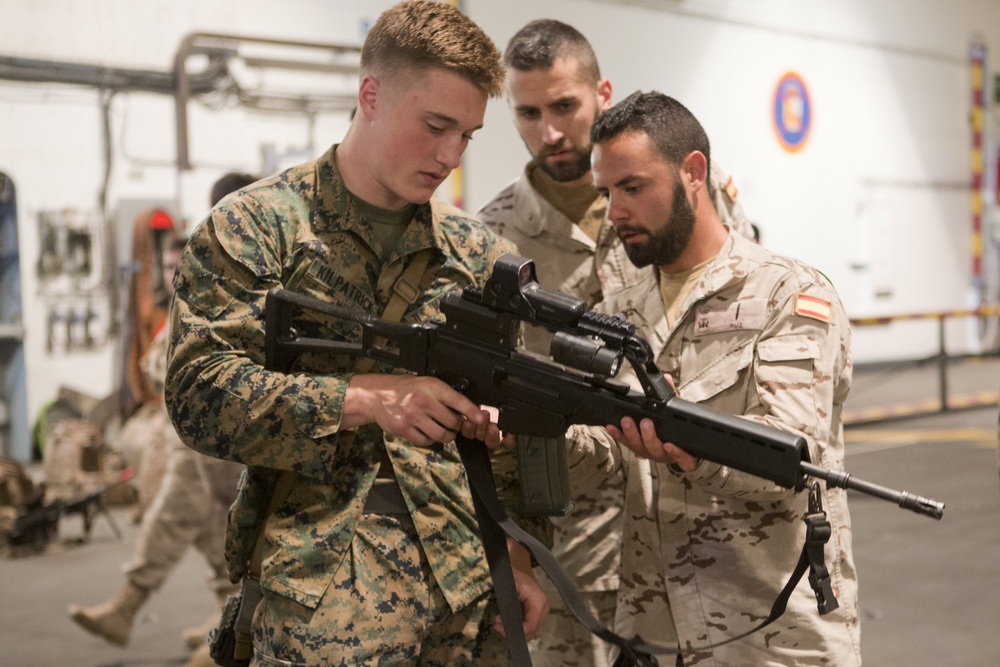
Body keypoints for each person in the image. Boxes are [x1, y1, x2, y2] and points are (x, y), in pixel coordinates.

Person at [163, 3, 548, 665]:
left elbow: (507, 427)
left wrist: (518, 550)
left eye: (468, 135)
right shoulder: (259, 229)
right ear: (370, 95)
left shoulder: (477, 254)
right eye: (435, 126)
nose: (450, 155)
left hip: (468, 593)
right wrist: (364, 399)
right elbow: (198, 394)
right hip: (322, 598)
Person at [477, 20, 754, 667]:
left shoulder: (685, 203)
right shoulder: (491, 238)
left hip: (697, 532)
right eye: (528, 113)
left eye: (565, 106)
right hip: (570, 546)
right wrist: (514, 550)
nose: (550, 131)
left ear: (601, 92)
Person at [565, 91, 861, 665]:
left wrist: (685, 450)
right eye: (606, 193)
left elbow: (791, 461)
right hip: (654, 632)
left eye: (632, 187)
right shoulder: (622, 306)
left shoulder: (789, 296)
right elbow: (609, 451)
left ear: (692, 173)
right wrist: (526, 424)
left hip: (770, 636)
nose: (615, 211)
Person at [67, 173, 256, 653]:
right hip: (193, 437)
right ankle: (173, 612)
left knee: (209, 528)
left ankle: (214, 624)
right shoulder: (218, 267)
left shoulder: (241, 271)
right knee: (188, 524)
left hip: (221, 436)